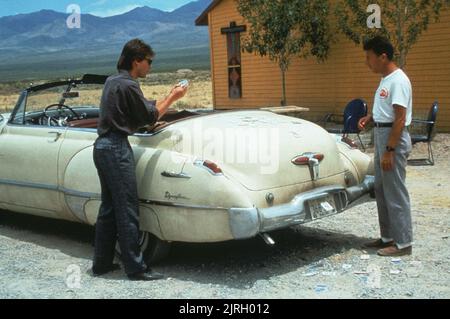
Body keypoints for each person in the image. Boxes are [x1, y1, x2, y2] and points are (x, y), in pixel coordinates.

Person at [92, 39, 187, 280]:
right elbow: (148, 114)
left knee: (109, 208)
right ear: (137, 61)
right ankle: (136, 268)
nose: (150, 67)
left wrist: (152, 116)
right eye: (149, 62)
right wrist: (173, 97)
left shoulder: (113, 81)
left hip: (102, 146)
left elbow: (134, 113)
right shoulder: (128, 84)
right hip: (115, 148)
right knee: (127, 210)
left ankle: (101, 263)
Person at [358, 36, 413, 257]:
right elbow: (388, 109)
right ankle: (388, 237)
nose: (367, 62)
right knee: (381, 188)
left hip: (393, 138)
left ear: (383, 56)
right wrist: (370, 117)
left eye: (369, 57)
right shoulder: (386, 79)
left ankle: (403, 243)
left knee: (395, 191)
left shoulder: (398, 80)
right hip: (382, 133)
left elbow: (399, 118)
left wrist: (390, 150)